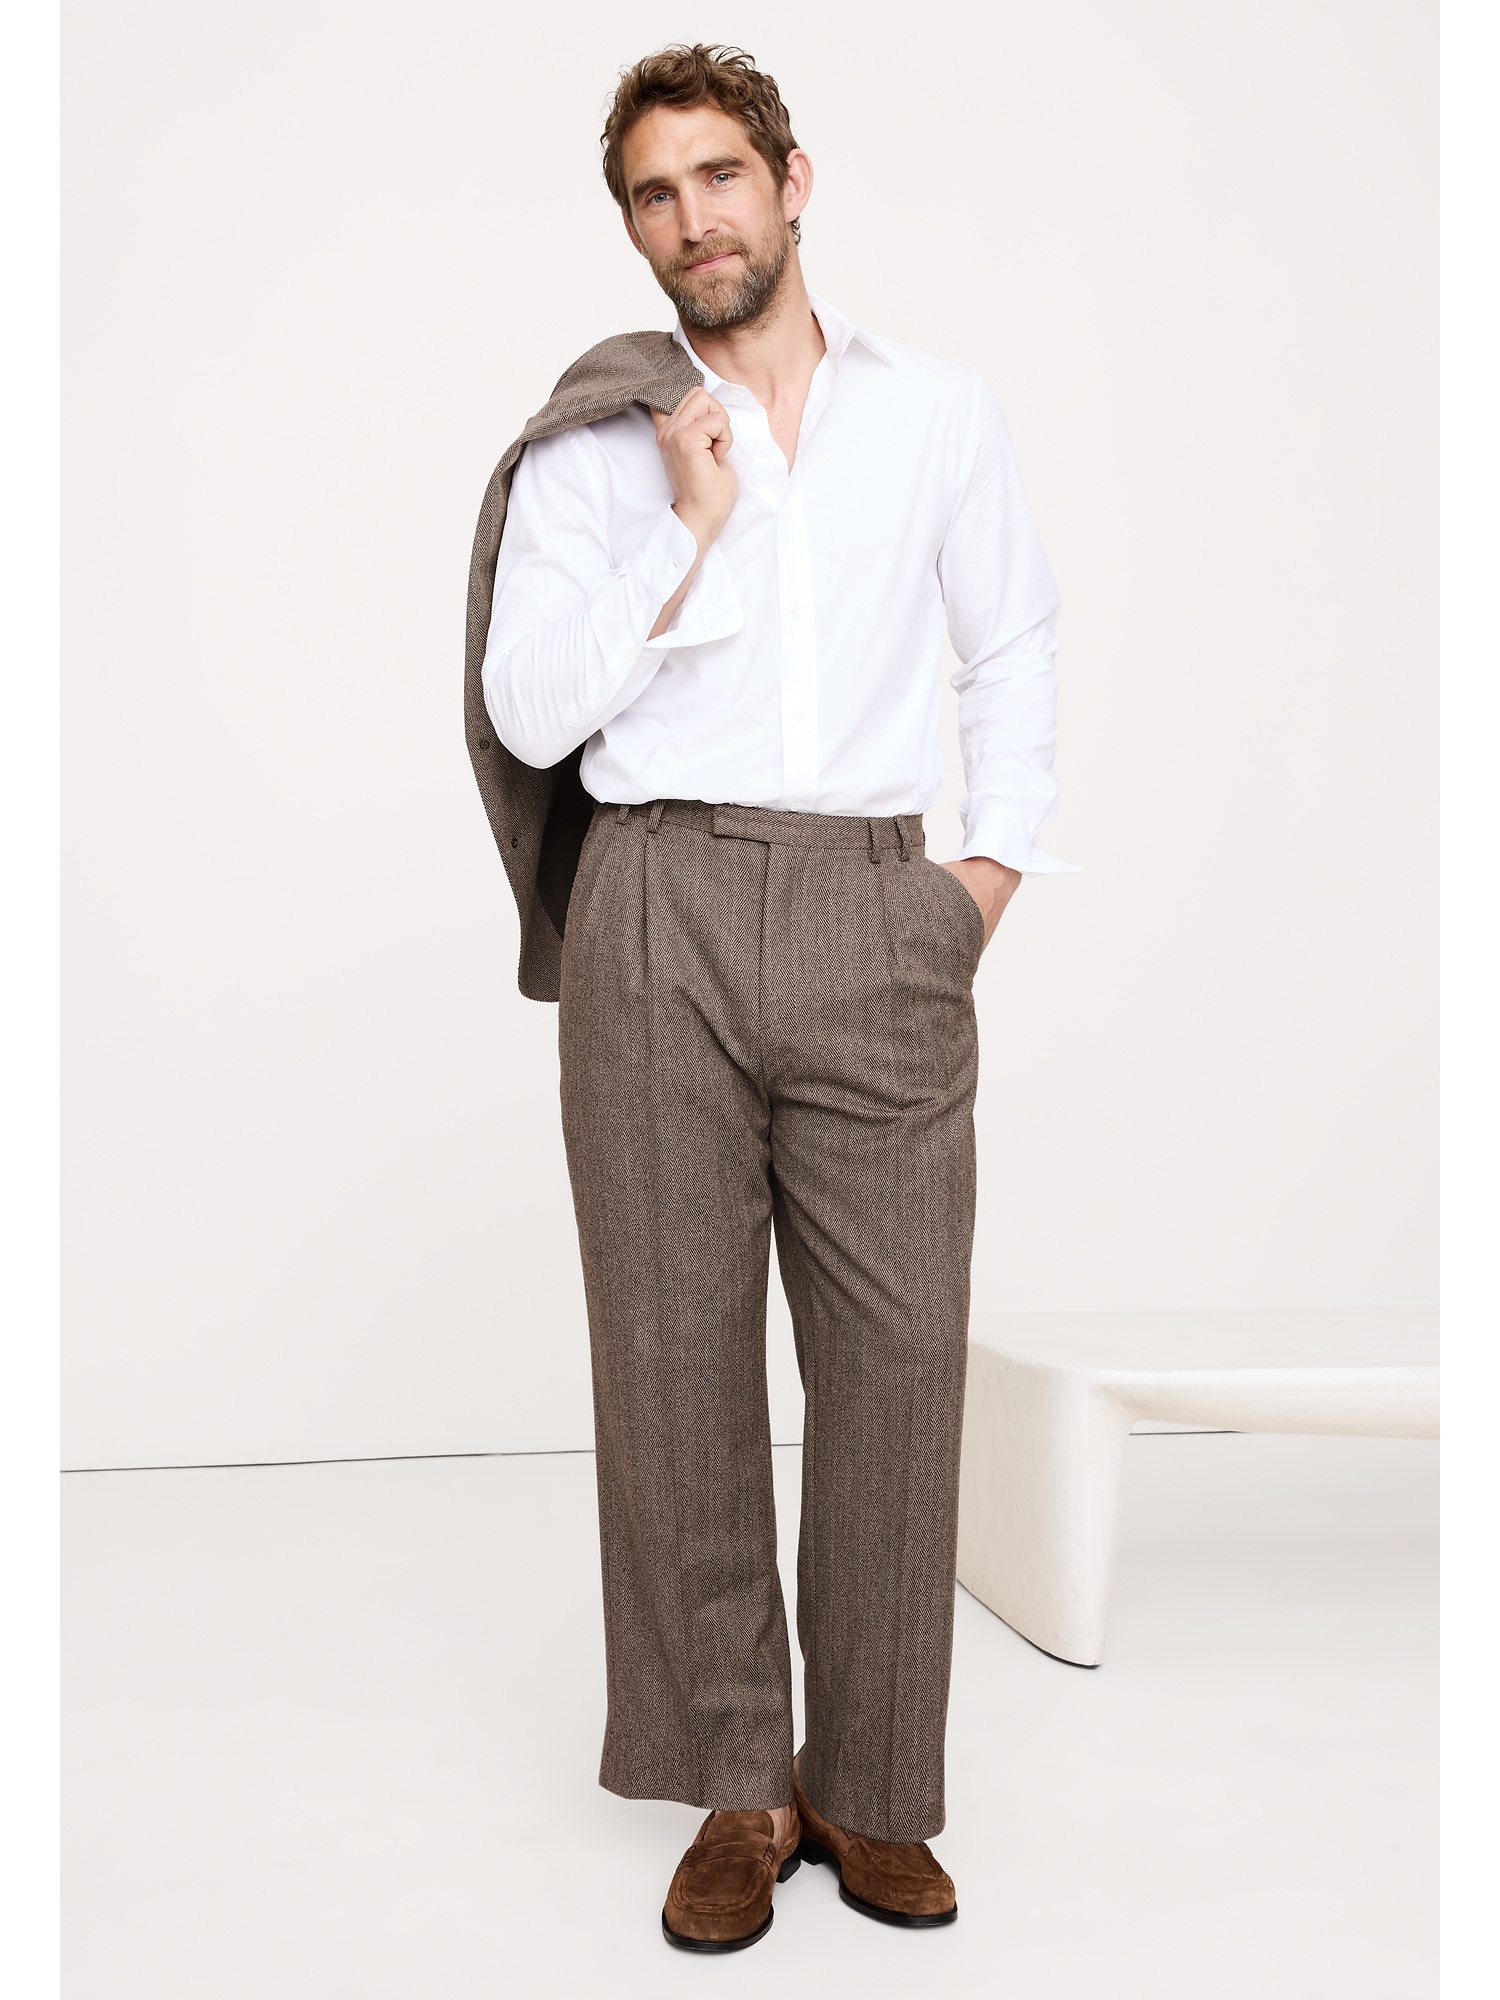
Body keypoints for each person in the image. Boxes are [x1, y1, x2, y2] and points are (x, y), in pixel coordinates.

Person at [467, 42, 1066, 1953]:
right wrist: (686, 523)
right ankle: (743, 1782)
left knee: (896, 1359)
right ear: (633, 227)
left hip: (875, 904)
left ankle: (872, 1784)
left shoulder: (939, 412)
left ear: (793, 183)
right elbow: (525, 709)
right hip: (655, 907)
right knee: (672, 1361)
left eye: (719, 175)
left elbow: (1012, 645)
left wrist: (980, 884)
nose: (692, 219)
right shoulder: (596, 446)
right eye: (654, 194)